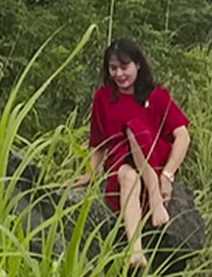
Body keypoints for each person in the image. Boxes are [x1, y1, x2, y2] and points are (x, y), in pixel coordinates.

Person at [73, 38, 191, 270]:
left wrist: (167, 174)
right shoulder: (103, 98)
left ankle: (155, 196)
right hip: (120, 169)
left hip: (154, 163)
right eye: (113, 68)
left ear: (138, 64)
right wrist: (88, 175)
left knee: (133, 128)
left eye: (124, 67)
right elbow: (98, 144)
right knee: (127, 176)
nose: (119, 74)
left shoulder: (157, 96)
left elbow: (183, 136)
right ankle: (136, 252)